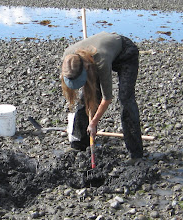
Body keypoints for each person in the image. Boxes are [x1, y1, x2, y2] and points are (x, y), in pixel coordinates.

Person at [60, 31, 143, 160]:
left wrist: (93, 123)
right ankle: (79, 144)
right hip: (94, 58)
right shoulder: (68, 57)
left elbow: (107, 98)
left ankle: (136, 154)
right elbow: (87, 93)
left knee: (126, 99)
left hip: (125, 53)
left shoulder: (101, 62)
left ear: (86, 68)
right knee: (85, 99)